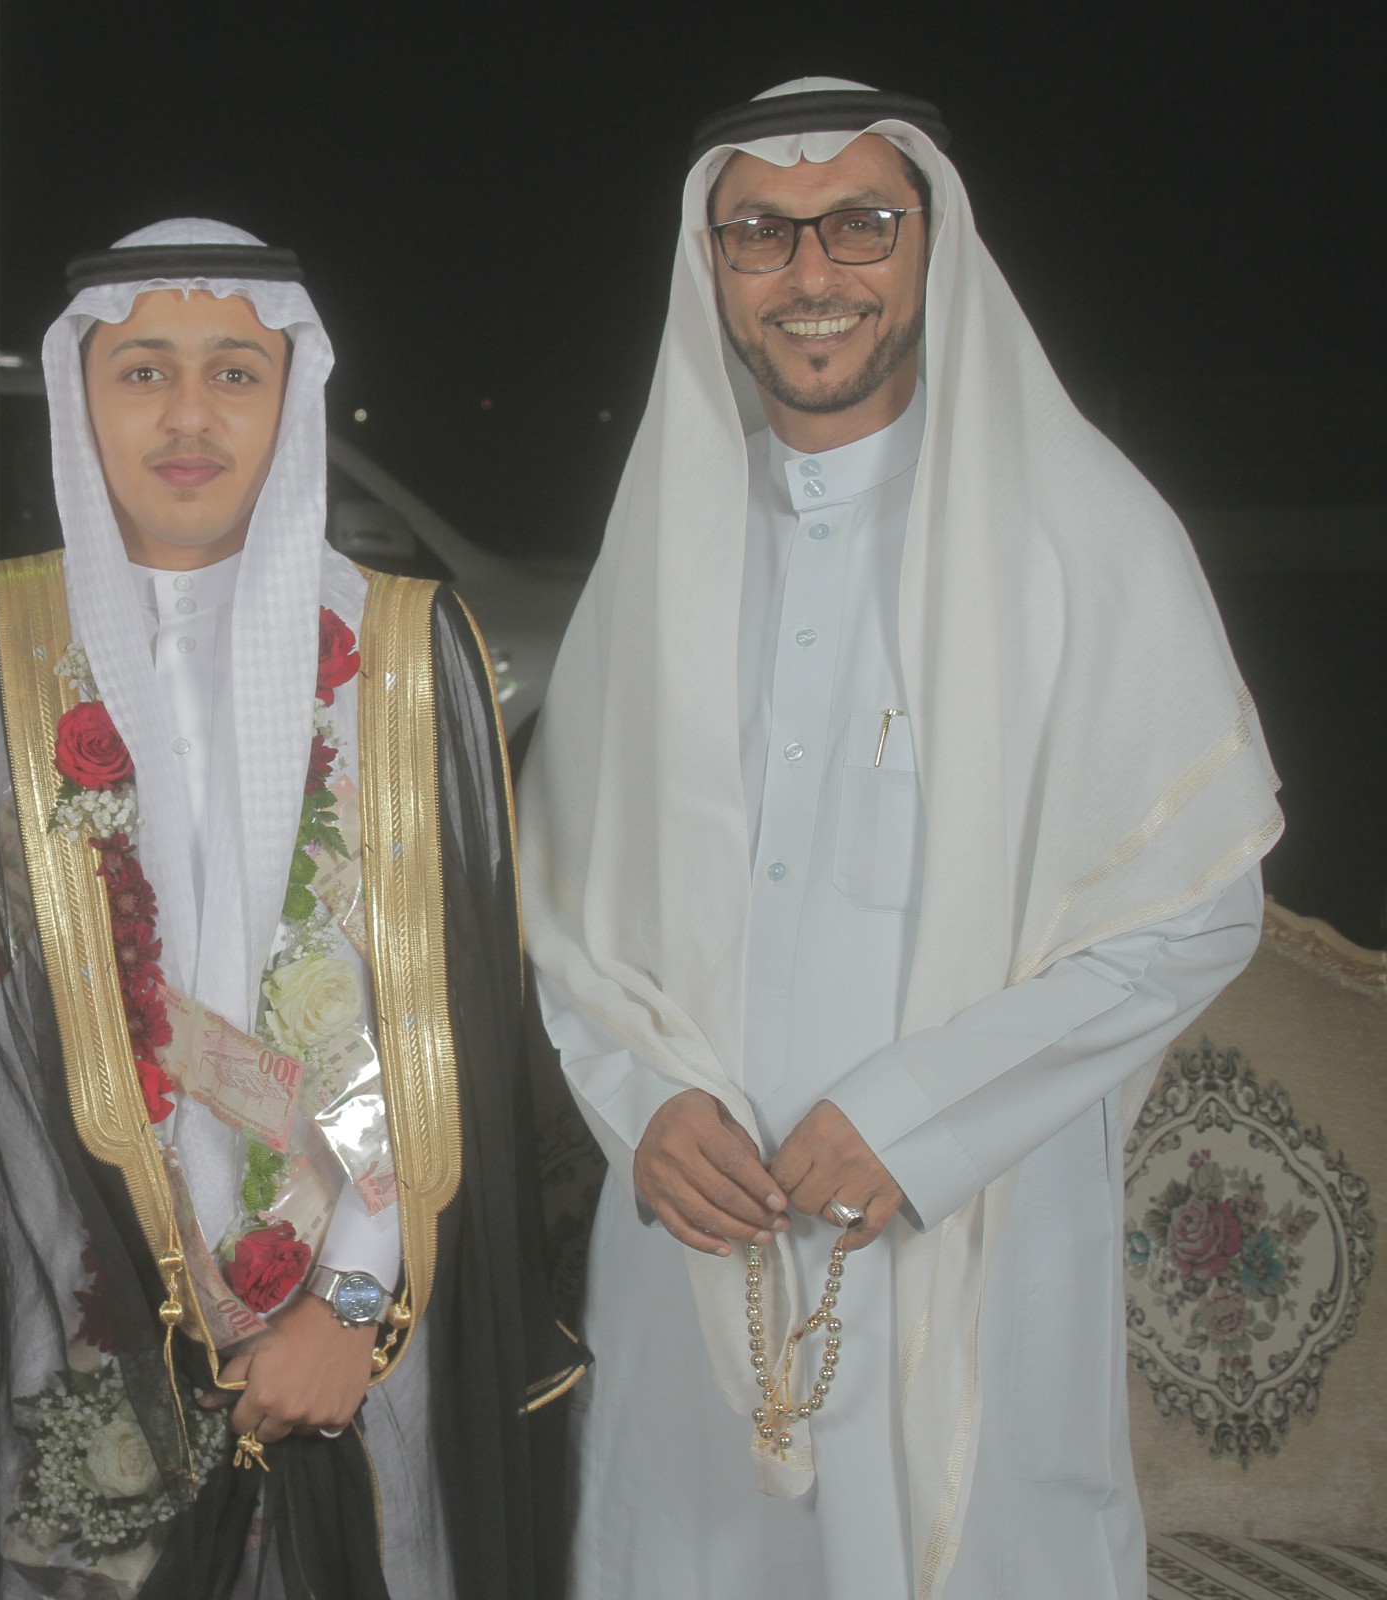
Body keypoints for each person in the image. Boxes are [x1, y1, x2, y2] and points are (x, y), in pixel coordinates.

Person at [518, 80, 1283, 1600]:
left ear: (934, 241)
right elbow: (563, 914)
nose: (812, 273)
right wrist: (642, 1103)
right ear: (714, 265)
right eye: (762, 233)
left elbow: (1196, 908)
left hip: (966, 1240)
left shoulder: (1078, 535)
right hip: (696, 1251)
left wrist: (915, 1120)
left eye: (860, 224)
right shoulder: (663, 547)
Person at [0, 219, 581, 1598]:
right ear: (80, 393)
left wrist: (348, 1305)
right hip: (67, 1303)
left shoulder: (406, 654)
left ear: (292, 392)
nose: (190, 416)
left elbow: (448, 1024)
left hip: (356, 1335)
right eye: (144, 373)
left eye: (235, 372)